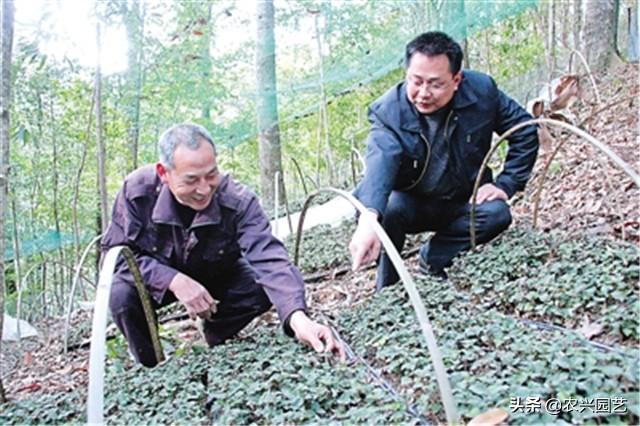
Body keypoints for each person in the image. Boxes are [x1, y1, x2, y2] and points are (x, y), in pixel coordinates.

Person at [102, 123, 344, 367]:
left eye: (211, 174)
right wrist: (174, 280)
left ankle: (215, 338)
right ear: (164, 173)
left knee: (259, 286)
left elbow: (269, 258)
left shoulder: (237, 200)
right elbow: (116, 257)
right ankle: (152, 366)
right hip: (156, 283)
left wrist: (298, 318)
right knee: (120, 295)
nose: (204, 188)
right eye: (191, 180)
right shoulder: (137, 191)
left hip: (215, 274)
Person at [349, 31, 538, 289]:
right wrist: (368, 218)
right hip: (412, 204)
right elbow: (381, 160)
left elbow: (525, 129)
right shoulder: (388, 111)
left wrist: (506, 184)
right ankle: (388, 290)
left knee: (497, 213)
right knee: (387, 207)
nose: (423, 93)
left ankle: (434, 258)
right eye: (415, 81)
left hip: (462, 198)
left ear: (457, 79)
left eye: (436, 84)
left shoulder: (482, 92)